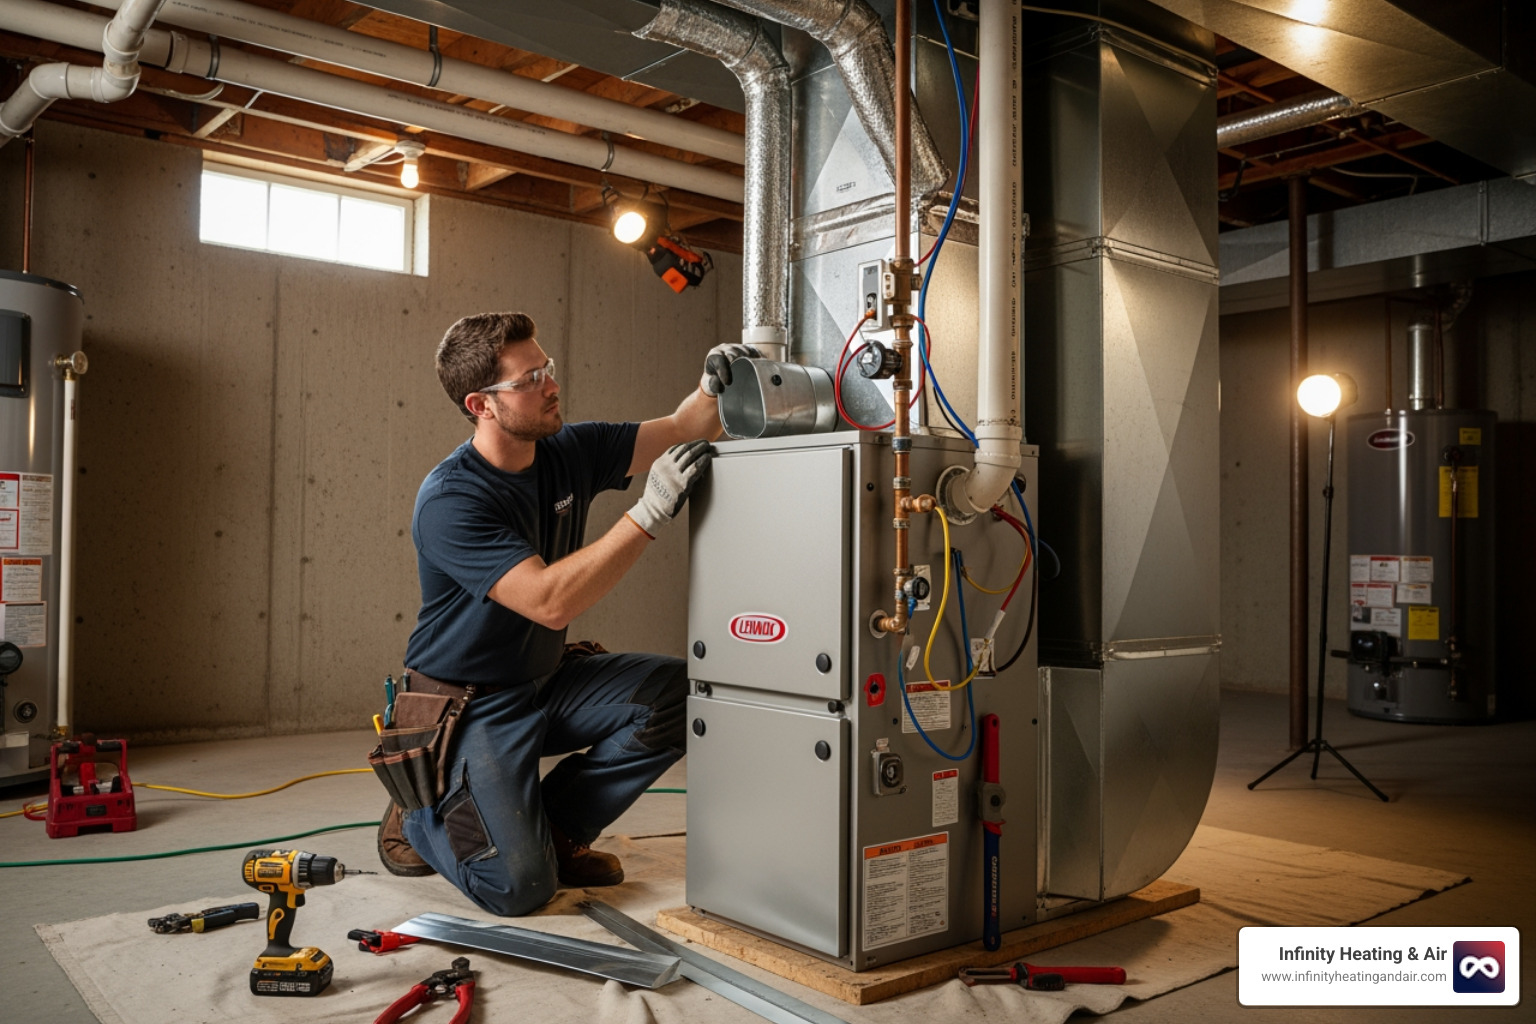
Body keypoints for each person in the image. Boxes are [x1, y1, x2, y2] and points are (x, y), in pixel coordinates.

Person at [378, 310, 756, 916]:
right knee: (519, 889)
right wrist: (647, 514)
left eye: (546, 367)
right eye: (528, 379)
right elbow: (550, 602)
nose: (551, 384)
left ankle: (555, 832)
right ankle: (423, 806)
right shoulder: (451, 499)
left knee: (681, 694)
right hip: (469, 705)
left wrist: (716, 384)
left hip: (544, 682)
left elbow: (687, 424)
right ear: (482, 404)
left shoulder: (568, 448)